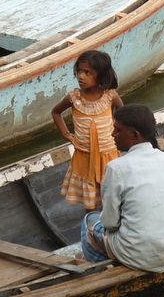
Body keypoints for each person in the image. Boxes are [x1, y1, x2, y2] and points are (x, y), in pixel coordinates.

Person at [80, 104, 164, 272]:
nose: (112, 134)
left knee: (89, 221)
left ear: (135, 135)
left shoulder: (116, 168)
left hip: (136, 254)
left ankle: (100, 270)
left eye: (117, 130)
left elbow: (110, 223)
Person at [52, 50, 123, 210]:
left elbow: (122, 111)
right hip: (84, 156)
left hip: (108, 154)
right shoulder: (73, 98)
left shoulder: (110, 96)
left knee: (111, 198)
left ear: (101, 75)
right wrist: (66, 134)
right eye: (79, 72)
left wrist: (116, 131)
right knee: (89, 200)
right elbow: (56, 112)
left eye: (87, 73)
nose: (81, 76)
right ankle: (91, 225)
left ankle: (110, 226)